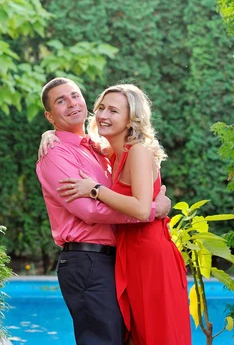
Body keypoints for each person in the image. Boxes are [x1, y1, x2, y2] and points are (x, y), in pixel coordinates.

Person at [35, 78, 172, 345]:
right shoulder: (55, 153)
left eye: (74, 95)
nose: (71, 103)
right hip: (87, 260)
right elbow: (89, 210)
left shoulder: (98, 149)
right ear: (49, 115)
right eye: (60, 101)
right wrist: (150, 210)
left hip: (117, 258)